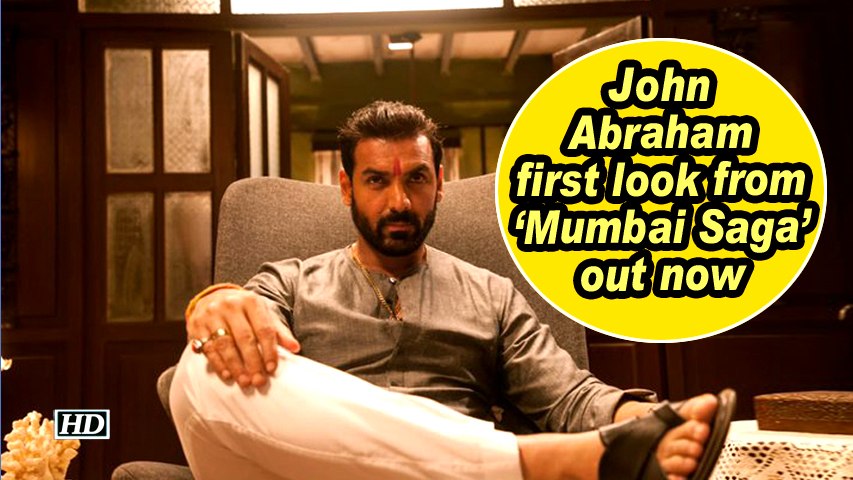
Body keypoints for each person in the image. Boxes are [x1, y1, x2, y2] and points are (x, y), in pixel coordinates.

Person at [171, 100, 732, 480]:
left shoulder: (491, 295)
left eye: (415, 178)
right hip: (313, 469)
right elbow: (248, 325)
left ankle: (556, 458)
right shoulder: (291, 281)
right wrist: (217, 303)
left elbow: (568, 397)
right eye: (376, 180)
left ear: (439, 183)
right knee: (199, 366)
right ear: (345, 187)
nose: (398, 202)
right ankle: (547, 464)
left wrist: (646, 416)